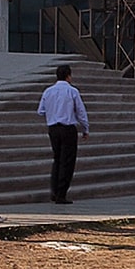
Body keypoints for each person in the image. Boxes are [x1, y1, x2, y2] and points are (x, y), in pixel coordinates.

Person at [37, 62, 90, 204]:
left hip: (53, 128)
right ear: (68, 76)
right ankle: (62, 193)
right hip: (68, 127)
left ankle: (54, 191)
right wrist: (85, 128)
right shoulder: (72, 91)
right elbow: (80, 112)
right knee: (67, 162)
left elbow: (40, 110)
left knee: (57, 159)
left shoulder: (48, 91)